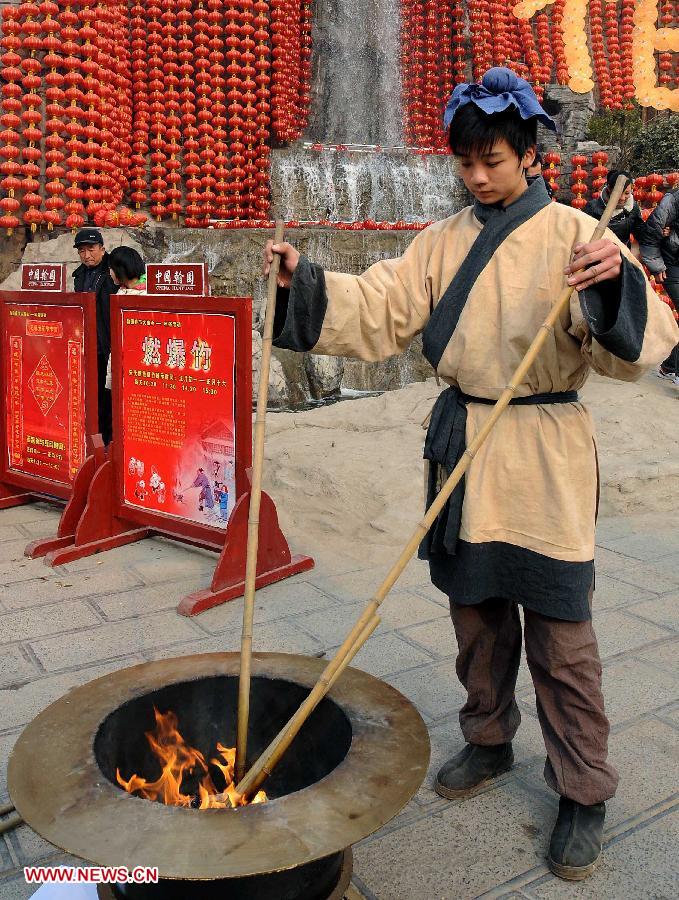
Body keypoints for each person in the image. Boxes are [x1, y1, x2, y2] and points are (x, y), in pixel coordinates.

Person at [263, 67, 679, 882]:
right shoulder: (443, 240)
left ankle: (582, 789)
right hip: (464, 444)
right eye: (464, 163)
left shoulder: (576, 235)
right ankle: (488, 739)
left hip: (542, 451)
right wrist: (303, 284)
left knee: (562, 639)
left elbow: (646, 346)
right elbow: (380, 306)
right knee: (476, 621)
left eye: (491, 159)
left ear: (528, 154)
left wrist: (612, 284)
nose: (477, 176)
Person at [72, 228, 118, 445]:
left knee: (107, 396)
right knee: (90, 395)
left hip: (107, 345)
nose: (87, 255)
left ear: (102, 248)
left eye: (91, 249)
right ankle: (93, 440)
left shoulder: (113, 270)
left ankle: (107, 442)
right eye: (82, 251)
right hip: (85, 345)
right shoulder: (79, 274)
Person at [639, 187, 679, 383]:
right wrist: (656, 264)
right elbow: (650, 233)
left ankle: (670, 365)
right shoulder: (670, 202)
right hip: (671, 265)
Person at [104, 246, 147, 393]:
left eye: (110, 268)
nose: (109, 273)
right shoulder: (122, 291)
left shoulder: (147, 294)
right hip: (122, 357)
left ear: (119, 269)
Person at [584, 170, 645, 249]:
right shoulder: (593, 207)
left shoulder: (633, 207)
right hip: (598, 252)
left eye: (627, 193)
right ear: (609, 189)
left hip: (623, 252)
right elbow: (584, 234)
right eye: (618, 193)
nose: (622, 198)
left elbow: (640, 234)